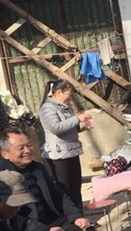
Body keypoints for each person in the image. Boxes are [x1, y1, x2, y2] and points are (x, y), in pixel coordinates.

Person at [39, 79, 93, 210]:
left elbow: (71, 126)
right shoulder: (47, 108)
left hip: (72, 151)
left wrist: (82, 126)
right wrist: (77, 118)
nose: (70, 97)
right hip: (59, 154)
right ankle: (70, 217)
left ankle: (79, 215)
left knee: (76, 185)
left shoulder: (65, 107)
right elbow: (56, 128)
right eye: (68, 94)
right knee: (65, 188)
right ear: (58, 92)